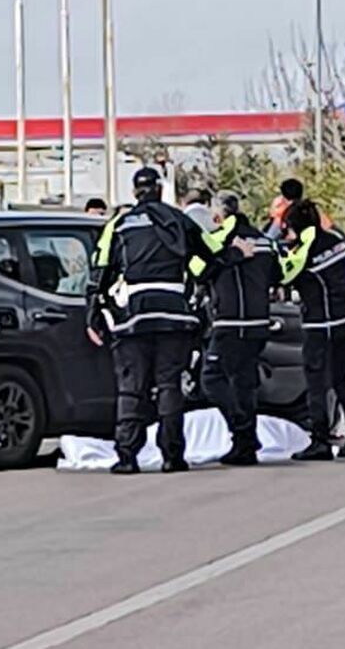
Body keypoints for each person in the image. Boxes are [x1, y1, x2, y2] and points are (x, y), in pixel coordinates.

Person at [87, 167, 230, 474]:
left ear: (135, 191)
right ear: (160, 189)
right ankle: (172, 456)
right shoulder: (179, 220)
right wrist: (199, 279)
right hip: (173, 315)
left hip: (134, 316)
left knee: (131, 387)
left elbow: (100, 268)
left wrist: (95, 312)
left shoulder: (120, 223)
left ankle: (127, 456)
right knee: (169, 385)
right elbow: (213, 254)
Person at [279, 200, 345, 461]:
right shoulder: (339, 242)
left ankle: (319, 440)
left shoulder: (303, 252)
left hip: (320, 325)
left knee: (316, 383)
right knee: (342, 382)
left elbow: (283, 276)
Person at [195, 191, 279, 466]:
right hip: (259, 321)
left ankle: (243, 434)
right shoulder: (265, 241)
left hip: (230, 322)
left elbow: (198, 271)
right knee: (244, 384)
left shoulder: (216, 240)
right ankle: (245, 442)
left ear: (219, 216)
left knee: (212, 379)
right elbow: (278, 275)